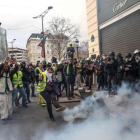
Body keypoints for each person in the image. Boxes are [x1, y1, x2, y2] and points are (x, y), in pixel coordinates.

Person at [0, 57, 18, 124]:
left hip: (8, 91)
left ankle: (8, 116)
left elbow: (15, 70)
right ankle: (3, 117)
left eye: (7, 66)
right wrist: (5, 62)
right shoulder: (1, 73)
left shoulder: (9, 73)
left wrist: (16, 64)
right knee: (3, 105)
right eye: (5, 66)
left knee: (9, 104)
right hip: (2, 91)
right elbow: (0, 67)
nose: (6, 67)